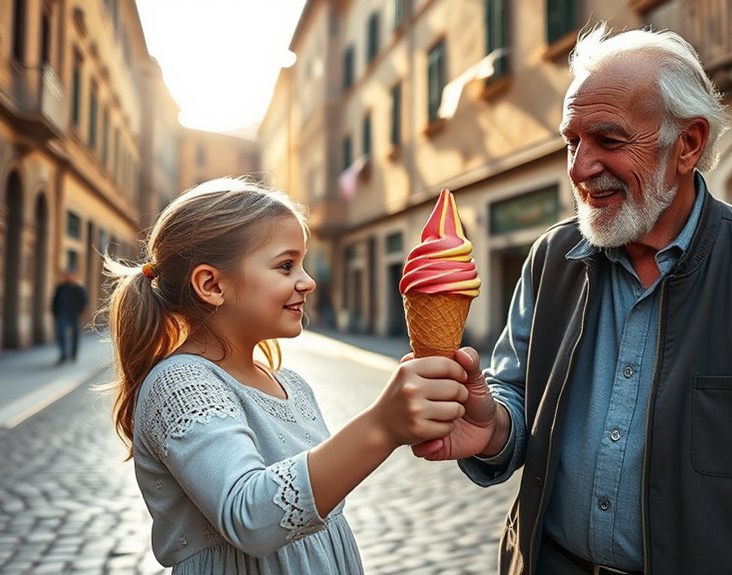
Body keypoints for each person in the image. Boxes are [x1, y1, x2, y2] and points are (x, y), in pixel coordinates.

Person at [410, 26, 732, 574]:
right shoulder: (550, 258)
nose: (580, 169)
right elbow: (516, 396)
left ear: (687, 144)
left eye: (608, 140)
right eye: (572, 142)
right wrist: (492, 426)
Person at [102, 177, 470, 574]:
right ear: (211, 284)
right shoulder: (180, 384)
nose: (308, 281)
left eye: (303, 263)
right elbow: (251, 516)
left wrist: (407, 423)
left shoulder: (292, 384)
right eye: (286, 265)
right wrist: (382, 427)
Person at [51, 270, 89, 364]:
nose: (69, 277)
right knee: (61, 333)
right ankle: (63, 354)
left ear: (75, 276)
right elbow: (55, 300)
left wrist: (80, 311)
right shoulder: (61, 287)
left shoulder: (79, 288)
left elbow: (84, 300)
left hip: (74, 314)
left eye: (71, 275)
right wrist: (55, 312)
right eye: (68, 275)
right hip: (62, 313)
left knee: (75, 334)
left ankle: (73, 354)